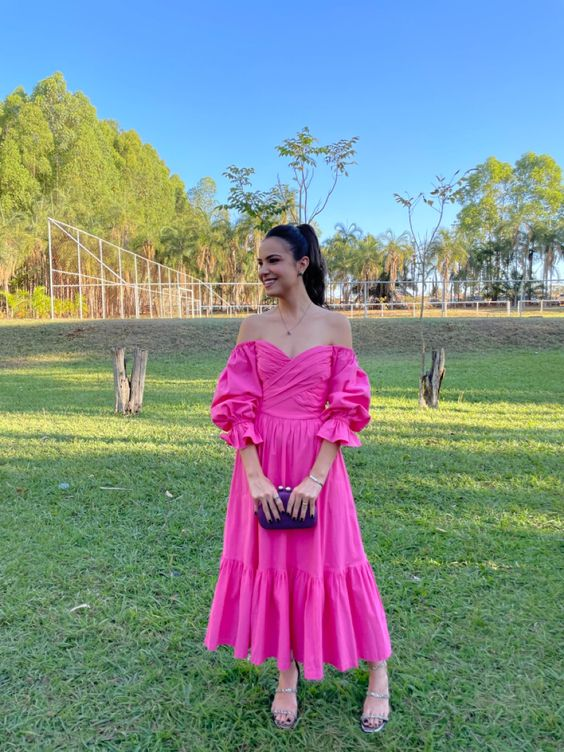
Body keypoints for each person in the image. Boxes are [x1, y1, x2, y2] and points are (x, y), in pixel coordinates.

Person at [203, 223, 392, 733]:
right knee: (276, 563)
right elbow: (236, 406)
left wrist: (316, 479)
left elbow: (347, 408)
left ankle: (378, 671)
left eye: (273, 261)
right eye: (259, 262)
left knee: (338, 560)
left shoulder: (335, 326)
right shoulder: (251, 327)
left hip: (319, 463)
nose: (263, 270)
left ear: (301, 264)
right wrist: (254, 478)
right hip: (262, 461)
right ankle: (286, 674)